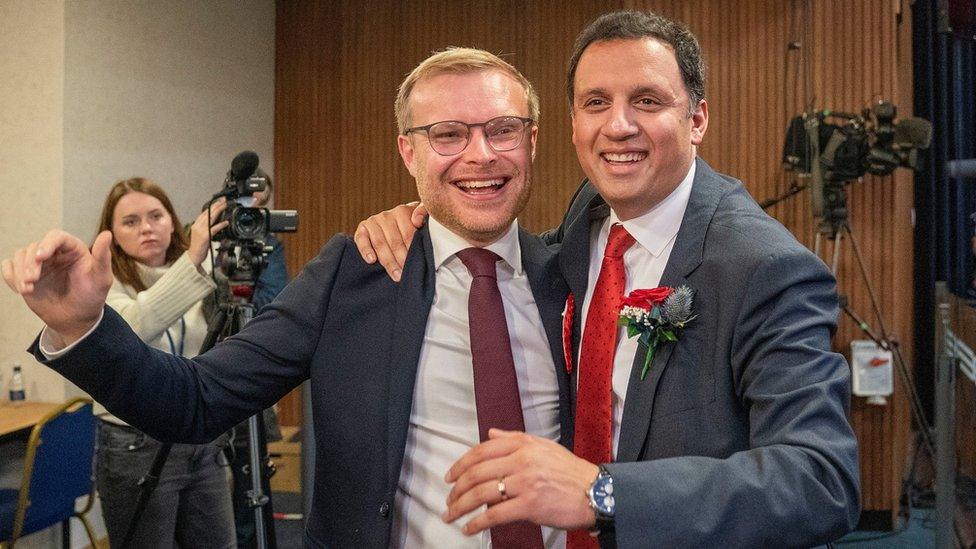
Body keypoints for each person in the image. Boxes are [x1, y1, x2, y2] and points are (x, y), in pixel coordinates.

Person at [2, 48, 571, 548]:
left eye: (502, 128)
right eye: (448, 133)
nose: (480, 155)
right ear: (408, 153)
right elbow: (195, 401)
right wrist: (83, 327)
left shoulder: (575, 274)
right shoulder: (354, 275)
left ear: (532, 141)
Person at [354, 10, 860, 548]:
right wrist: (424, 219)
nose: (617, 125)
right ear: (573, 124)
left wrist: (603, 493)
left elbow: (821, 480)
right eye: (596, 103)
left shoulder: (767, 268)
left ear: (697, 119)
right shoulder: (585, 221)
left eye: (646, 100)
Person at [91, 177, 236, 548]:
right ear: (111, 233)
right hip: (134, 445)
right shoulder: (101, 282)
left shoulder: (202, 272)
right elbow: (136, 328)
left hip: (200, 439)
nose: (147, 228)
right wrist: (193, 259)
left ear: (172, 221)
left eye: (156, 216)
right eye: (131, 221)